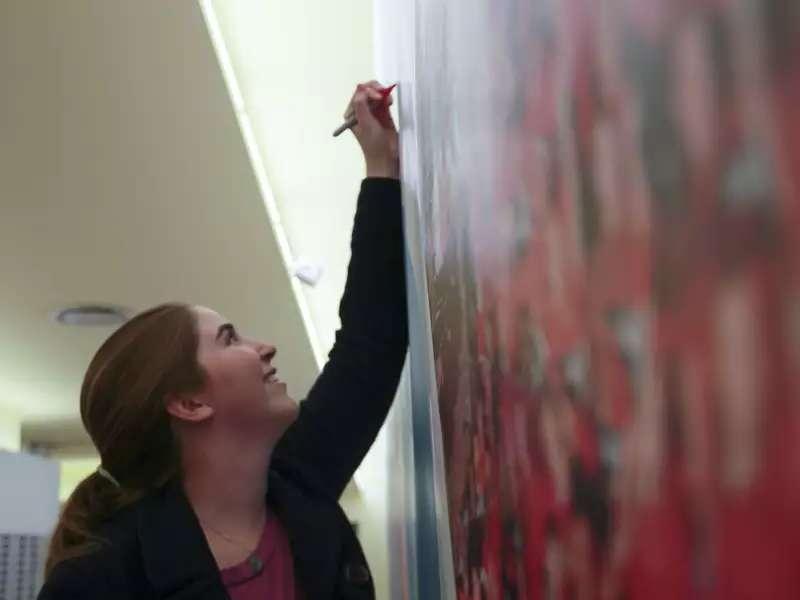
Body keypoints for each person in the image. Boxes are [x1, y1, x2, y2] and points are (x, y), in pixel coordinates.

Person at [38, 81, 407, 600]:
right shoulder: (100, 581)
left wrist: (380, 168)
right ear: (188, 402)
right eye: (229, 338)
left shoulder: (299, 483)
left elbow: (371, 343)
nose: (265, 348)